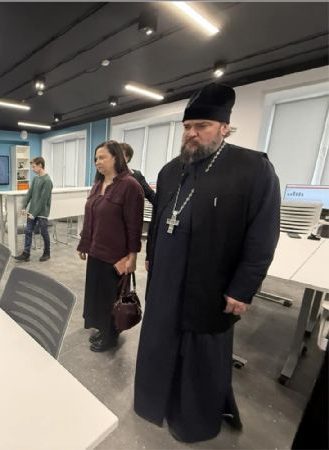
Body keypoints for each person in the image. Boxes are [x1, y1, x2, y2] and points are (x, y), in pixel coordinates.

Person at [134, 83, 281, 443]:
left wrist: (243, 288)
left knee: (200, 354)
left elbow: (263, 234)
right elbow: (160, 219)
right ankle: (156, 403)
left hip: (211, 285)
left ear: (224, 128)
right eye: (187, 126)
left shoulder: (253, 168)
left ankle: (194, 421)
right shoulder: (170, 171)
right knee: (159, 344)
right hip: (165, 283)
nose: (191, 133)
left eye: (202, 126)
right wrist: (151, 256)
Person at [77, 141, 144, 352]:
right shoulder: (98, 184)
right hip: (96, 252)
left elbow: (134, 225)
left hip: (115, 256)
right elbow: (90, 217)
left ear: (116, 158)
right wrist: (84, 244)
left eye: (102, 157)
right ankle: (102, 329)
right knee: (97, 296)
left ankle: (110, 337)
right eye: (96, 158)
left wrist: (133, 256)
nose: (97, 161)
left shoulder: (130, 186)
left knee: (111, 298)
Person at [14, 156, 54, 262]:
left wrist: (34, 213)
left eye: (34, 166)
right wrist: (24, 206)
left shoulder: (47, 181)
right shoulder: (36, 179)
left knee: (43, 232)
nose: (32, 169)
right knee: (28, 231)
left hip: (42, 212)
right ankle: (26, 254)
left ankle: (47, 253)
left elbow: (43, 200)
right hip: (32, 211)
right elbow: (30, 193)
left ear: (40, 165)